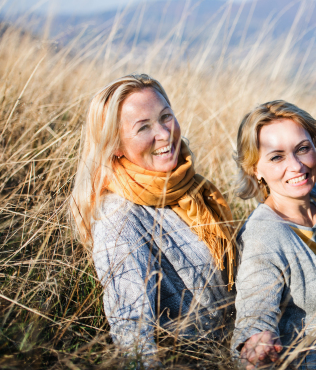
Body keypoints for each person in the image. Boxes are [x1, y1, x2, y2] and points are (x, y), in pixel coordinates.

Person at [70, 74, 236, 366]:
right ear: (116, 146)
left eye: (165, 117)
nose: (164, 134)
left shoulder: (188, 187)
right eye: (143, 127)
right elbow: (130, 327)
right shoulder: (119, 218)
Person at [231, 101, 316, 369]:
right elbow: (255, 301)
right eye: (277, 157)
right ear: (254, 168)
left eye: (303, 149)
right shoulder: (263, 234)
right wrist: (257, 337)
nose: (297, 166)